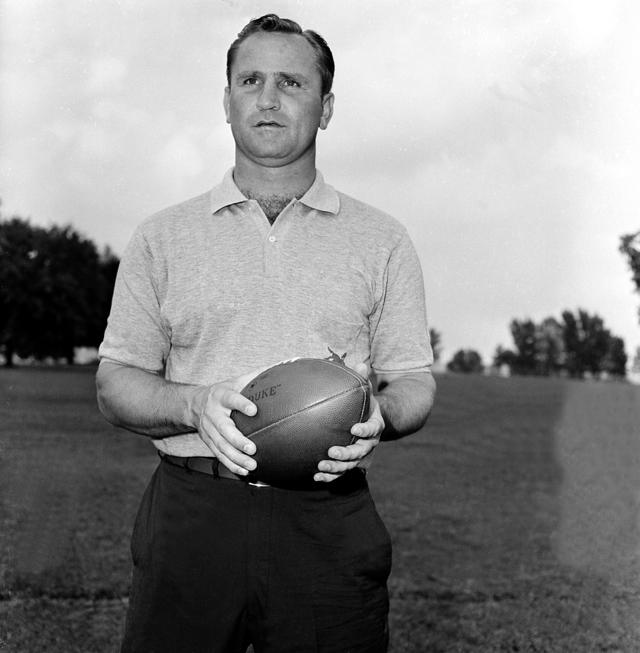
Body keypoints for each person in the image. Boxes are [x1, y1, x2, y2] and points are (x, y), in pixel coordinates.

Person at [96, 13, 436, 653]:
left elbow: (413, 382)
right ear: (227, 102)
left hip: (326, 519)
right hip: (193, 513)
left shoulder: (383, 238)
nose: (269, 98)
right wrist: (193, 403)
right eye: (250, 80)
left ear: (326, 107)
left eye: (292, 82)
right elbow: (116, 383)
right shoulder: (161, 236)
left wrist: (380, 418)